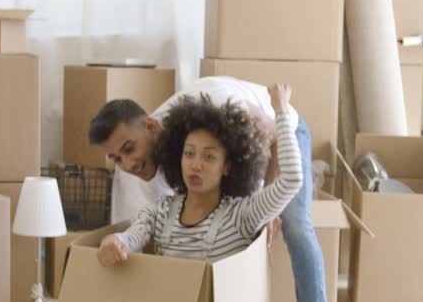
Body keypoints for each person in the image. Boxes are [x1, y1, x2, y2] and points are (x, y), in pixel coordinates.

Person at [88, 76, 332, 302]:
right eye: (116, 159)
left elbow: (270, 142)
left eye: (129, 149)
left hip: (276, 132)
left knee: (295, 226)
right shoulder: (148, 170)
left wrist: (266, 209)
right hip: (227, 156)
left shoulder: (218, 108)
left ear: (150, 127)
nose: (128, 164)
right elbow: (161, 232)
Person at [97, 85, 297, 267]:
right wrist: (115, 242)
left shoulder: (242, 215)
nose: (196, 165)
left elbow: (291, 180)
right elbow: (130, 238)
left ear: (227, 166)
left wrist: (281, 110)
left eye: (209, 157)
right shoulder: (160, 213)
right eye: (189, 153)